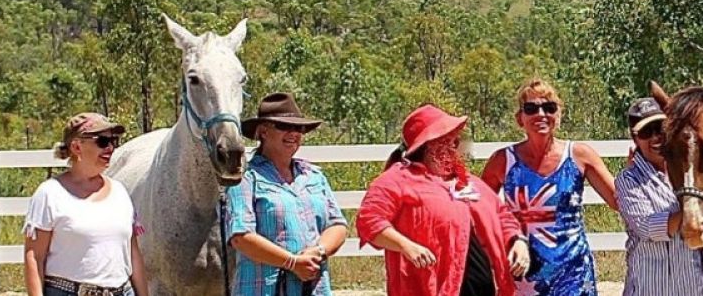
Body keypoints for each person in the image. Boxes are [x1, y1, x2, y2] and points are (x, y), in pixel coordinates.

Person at [358, 105, 528, 296]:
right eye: (447, 140)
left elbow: (501, 215)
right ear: (427, 145)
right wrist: (406, 246)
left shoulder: (468, 182)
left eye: (455, 141)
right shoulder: (398, 179)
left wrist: (518, 241)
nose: (455, 146)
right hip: (428, 286)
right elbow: (369, 221)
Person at [481, 79, 618, 296]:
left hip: (572, 274)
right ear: (520, 119)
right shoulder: (502, 161)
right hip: (523, 272)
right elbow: (481, 210)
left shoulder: (580, 156)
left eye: (549, 107)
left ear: (559, 115)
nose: (541, 114)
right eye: (531, 108)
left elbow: (618, 201)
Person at [224, 92, 350, 296]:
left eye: (298, 128)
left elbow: (337, 225)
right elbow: (241, 237)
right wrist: (292, 262)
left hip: (313, 288)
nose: (293, 133)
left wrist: (317, 252)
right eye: (284, 126)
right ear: (263, 132)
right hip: (262, 289)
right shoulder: (246, 178)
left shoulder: (313, 175)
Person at [24, 113, 149, 296]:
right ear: (76, 146)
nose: (111, 148)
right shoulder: (50, 194)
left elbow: (133, 254)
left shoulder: (120, 192)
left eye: (113, 141)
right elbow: (34, 257)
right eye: (103, 141)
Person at [614, 98, 703, 296]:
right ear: (635, 139)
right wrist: (693, 207)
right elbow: (648, 227)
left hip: (696, 289)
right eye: (645, 132)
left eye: (660, 128)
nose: (655, 137)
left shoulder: (692, 173)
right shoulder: (628, 180)